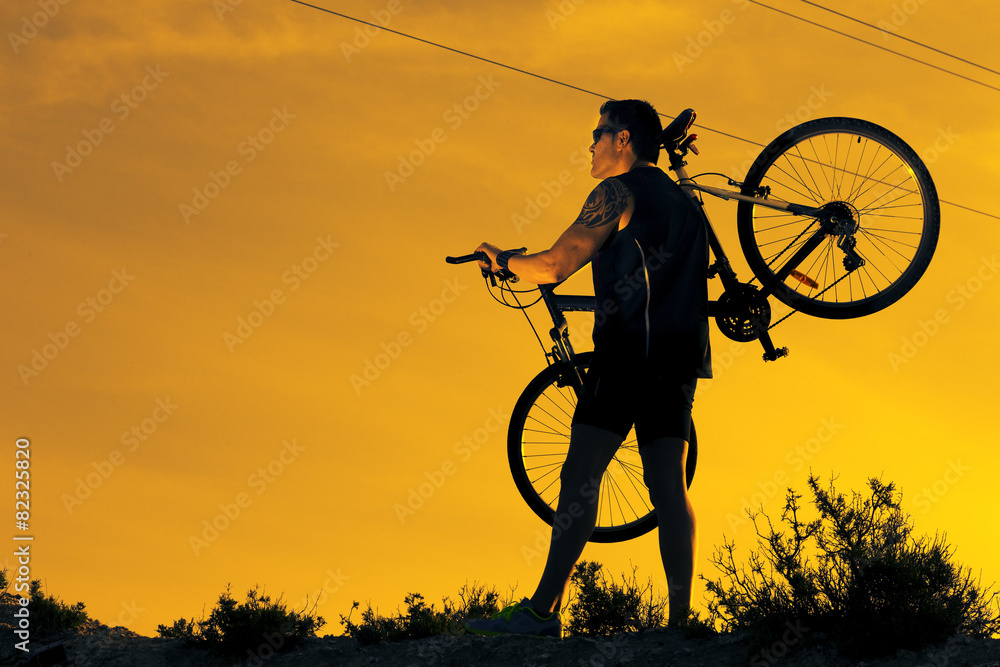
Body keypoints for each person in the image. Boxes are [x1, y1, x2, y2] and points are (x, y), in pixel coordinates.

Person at [465, 99, 712, 638]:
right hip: (678, 357)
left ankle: (541, 611)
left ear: (624, 139)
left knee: (580, 475)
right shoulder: (684, 202)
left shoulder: (616, 192)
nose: (591, 144)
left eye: (598, 133)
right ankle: (679, 624)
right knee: (668, 484)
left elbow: (556, 264)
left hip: (625, 355)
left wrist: (504, 260)